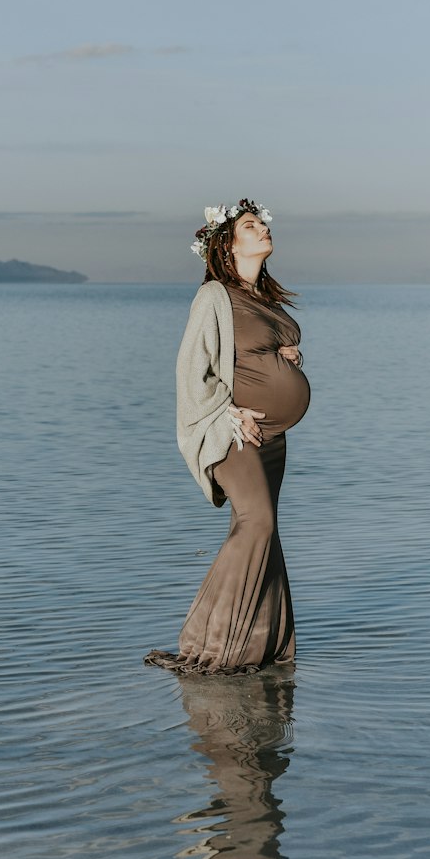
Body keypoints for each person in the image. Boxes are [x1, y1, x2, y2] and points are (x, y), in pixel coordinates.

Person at [145, 198, 310, 675]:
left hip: (273, 437)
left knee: (266, 533)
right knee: (255, 522)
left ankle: (264, 643)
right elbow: (190, 373)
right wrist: (226, 413)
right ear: (227, 244)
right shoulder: (214, 297)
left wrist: (290, 357)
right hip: (235, 432)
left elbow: (253, 356)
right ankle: (210, 641)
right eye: (251, 226)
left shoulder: (264, 300)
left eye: (262, 224)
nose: (263, 230)